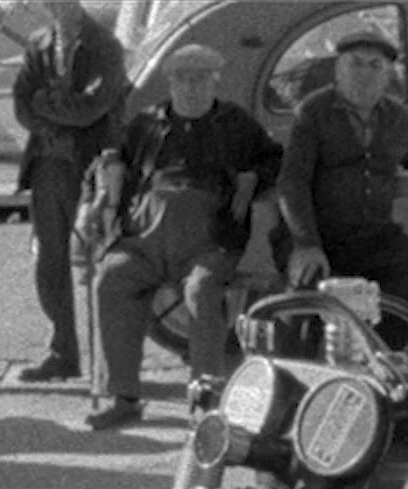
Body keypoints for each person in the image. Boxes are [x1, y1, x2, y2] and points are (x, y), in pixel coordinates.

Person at [78, 44, 282, 431]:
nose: (191, 88)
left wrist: (253, 177)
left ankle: (205, 401)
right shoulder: (147, 123)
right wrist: (98, 195)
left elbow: (274, 157)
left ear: (214, 83)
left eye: (200, 80)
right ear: (170, 83)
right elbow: (107, 158)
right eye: (183, 80)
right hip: (144, 235)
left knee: (203, 291)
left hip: (208, 240)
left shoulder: (235, 123)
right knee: (112, 278)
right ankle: (123, 397)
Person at [276, 30, 408, 323]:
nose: (364, 74)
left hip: (373, 236)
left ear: (386, 76)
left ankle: (380, 350)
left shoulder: (398, 117)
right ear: (338, 70)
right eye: (355, 63)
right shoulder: (314, 112)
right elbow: (292, 181)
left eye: (374, 66)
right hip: (318, 234)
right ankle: (292, 355)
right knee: (305, 304)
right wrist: (306, 244)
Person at [11, 0, 128, 384]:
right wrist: (54, 114)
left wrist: (45, 103)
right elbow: (21, 104)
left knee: (102, 263)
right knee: (49, 263)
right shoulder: (38, 44)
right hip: (46, 166)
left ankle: (110, 362)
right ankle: (62, 352)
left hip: (90, 168)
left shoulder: (105, 46)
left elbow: (92, 108)